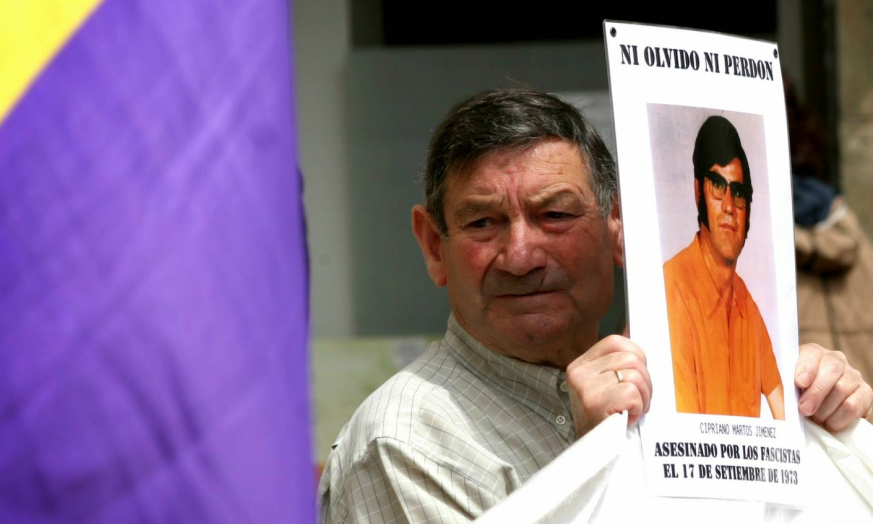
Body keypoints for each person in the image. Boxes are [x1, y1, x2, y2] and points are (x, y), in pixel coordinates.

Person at [317, 90, 872, 523]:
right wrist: (590, 466)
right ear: (435, 247)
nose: (520, 256)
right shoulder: (404, 444)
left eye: (555, 215)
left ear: (620, 228)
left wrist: (818, 418)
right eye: (482, 222)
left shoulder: (668, 388)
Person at [663, 115, 783, 418]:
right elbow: (685, 435)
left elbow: (785, 412)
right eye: (718, 185)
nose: (730, 206)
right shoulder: (669, 289)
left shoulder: (747, 306)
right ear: (698, 192)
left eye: (739, 193)